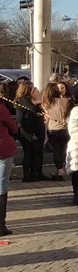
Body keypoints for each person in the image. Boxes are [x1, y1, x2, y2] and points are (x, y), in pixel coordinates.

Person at [14, 82, 46, 183]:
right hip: (29, 130)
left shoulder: (21, 100)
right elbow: (35, 110)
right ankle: (29, 175)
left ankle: (33, 173)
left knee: (32, 152)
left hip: (28, 129)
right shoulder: (24, 100)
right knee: (30, 152)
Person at [43, 82, 69, 180]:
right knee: (63, 149)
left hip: (52, 129)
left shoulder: (45, 103)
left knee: (56, 150)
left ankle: (59, 169)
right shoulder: (64, 101)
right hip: (63, 128)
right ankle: (63, 168)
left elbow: (46, 118)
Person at [0, 98, 15, 236]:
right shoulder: (1, 108)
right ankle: (1, 225)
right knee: (2, 186)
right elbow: (13, 126)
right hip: (3, 150)